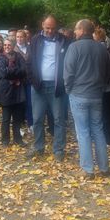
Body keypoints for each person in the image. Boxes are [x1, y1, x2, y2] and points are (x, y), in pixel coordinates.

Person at [65, 19, 110, 178]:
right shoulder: (102, 49)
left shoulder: (74, 47)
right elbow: (107, 73)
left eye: (76, 29)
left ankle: (88, 169)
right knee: (98, 130)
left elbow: (68, 73)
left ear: (83, 30)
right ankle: (104, 168)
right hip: (96, 95)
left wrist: (68, 89)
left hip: (79, 95)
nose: (75, 32)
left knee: (83, 132)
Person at [26, 15, 71, 162]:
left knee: (59, 119)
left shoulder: (64, 40)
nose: (50, 31)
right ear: (42, 25)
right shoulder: (35, 40)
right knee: (37, 119)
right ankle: (39, 147)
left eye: (52, 28)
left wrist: (65, 82)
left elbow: (69, 64)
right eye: (47, 28)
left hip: (56, 87)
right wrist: (33, 81)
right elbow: (29, 62)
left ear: (56, 27)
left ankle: (59, 149)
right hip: (38, 87)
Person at [0, 39, 28, 147]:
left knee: (17, 118)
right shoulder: (1, 57)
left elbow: (24, 70)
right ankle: (5, 140)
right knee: (6, 118)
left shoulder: (18, 56)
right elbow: (3, 73)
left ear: (13, 45)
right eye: (5, 45)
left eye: (9, 45)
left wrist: (11, 71)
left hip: (18, 91)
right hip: (6, 91)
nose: (6, 47)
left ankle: (17, 139)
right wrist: (17, 72)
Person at [93, 26, 110, 146]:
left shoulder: (98, 51)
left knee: (103, 114)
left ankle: (107, 139)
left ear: (97, 37)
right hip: (109, 87)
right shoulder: (108, 50)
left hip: (101, 87)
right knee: (108, 113)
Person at [15, 30, 33, 131]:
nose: (19, 39)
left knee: (30, 102)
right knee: (19, 102)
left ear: (25, 37)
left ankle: (30, 123)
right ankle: (19, 123)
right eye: (17, 37)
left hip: (29, 79)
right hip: (18, 81)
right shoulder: (13, 49)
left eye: (21, 37)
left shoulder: (30, 48)